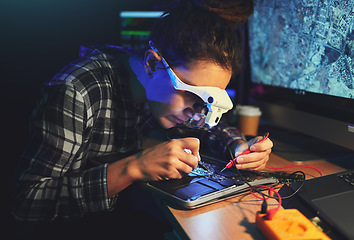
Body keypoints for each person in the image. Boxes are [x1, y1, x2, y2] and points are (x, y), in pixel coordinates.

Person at [11, 0, 272, 238]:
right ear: (152, 63)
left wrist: (238, 147)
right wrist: (134, 167)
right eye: (193, 95)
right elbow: (26, 205)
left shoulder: (154, 86)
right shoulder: (77, 90)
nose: (197, 112)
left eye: (207, 103)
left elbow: (209, 127)